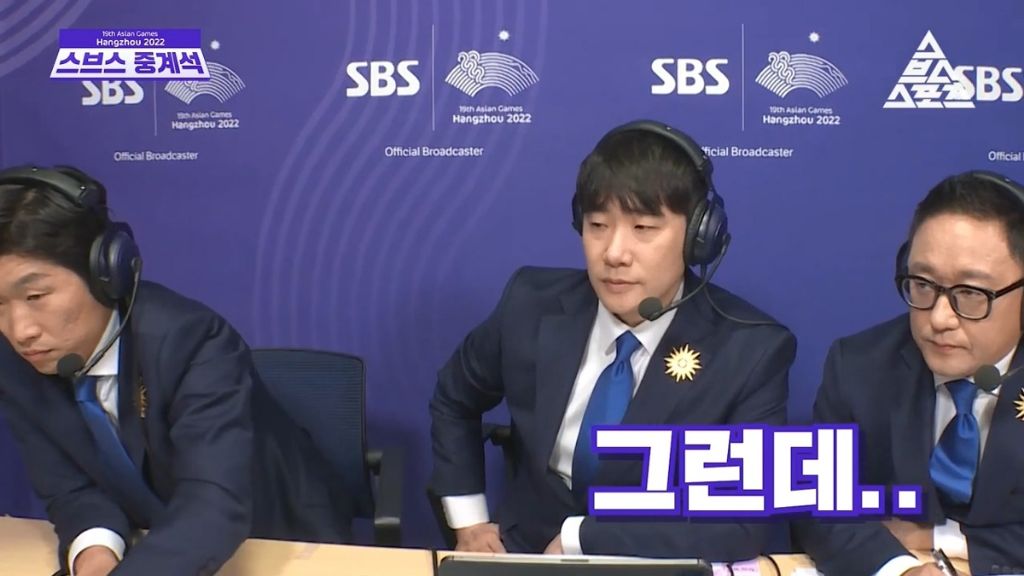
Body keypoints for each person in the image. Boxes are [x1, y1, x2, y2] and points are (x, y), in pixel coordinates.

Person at [428, 120, 797, 560]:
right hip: (523, 552)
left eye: (643, 228)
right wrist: (469, 521)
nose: (614, 253)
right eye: (598, 224)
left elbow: (742, 521)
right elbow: (454, 399)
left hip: (652, 564)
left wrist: (581, 538)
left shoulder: (750, 350)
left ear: (699, 237)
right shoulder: (530, 304)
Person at [0, 166, 351, 576]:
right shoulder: (15, 363)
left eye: (36, 295)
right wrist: (96, 556)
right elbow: (71, 489)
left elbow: (212, 504)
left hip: (276, 542)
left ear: (105, 271)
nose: (20, 330)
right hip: (154, 550)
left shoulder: (192, 340)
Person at [795, 171, 1024, 576]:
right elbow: (818, 505)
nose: (938, 318)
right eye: (922, 284)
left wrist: (940, 538)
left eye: (970, 293)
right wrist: (900, 569)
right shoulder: (860, 366)